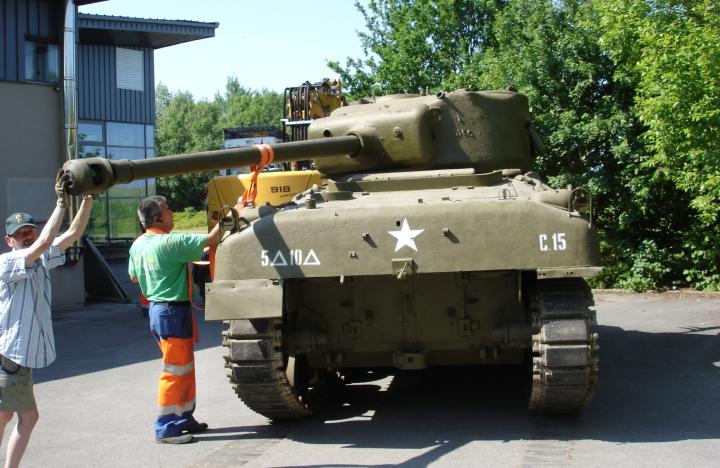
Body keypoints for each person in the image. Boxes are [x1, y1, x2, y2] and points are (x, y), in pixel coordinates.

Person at [0, 171, 94, 468]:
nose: (27, 236)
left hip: (15, 357)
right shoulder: (7, 262)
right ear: (9, 240)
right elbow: (44, 242)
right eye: (20, 234)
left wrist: (88, 198)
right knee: (29, 417)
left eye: (29, 230)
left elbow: (72, 234)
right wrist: (61, 202)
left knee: (4, 417)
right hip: (10, 357)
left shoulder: (39, 258)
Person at [128, 196, 222, 444]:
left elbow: (134, 278)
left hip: (158, 311)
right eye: (168, 210)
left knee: (184, 369)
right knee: (174, 371)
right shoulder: (170, 242)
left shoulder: (138, 245)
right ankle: (166, 427)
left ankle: (183, 418)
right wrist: (232, 214)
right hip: (172, 312)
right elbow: (212, 239)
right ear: (157, 218)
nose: (173, 214)